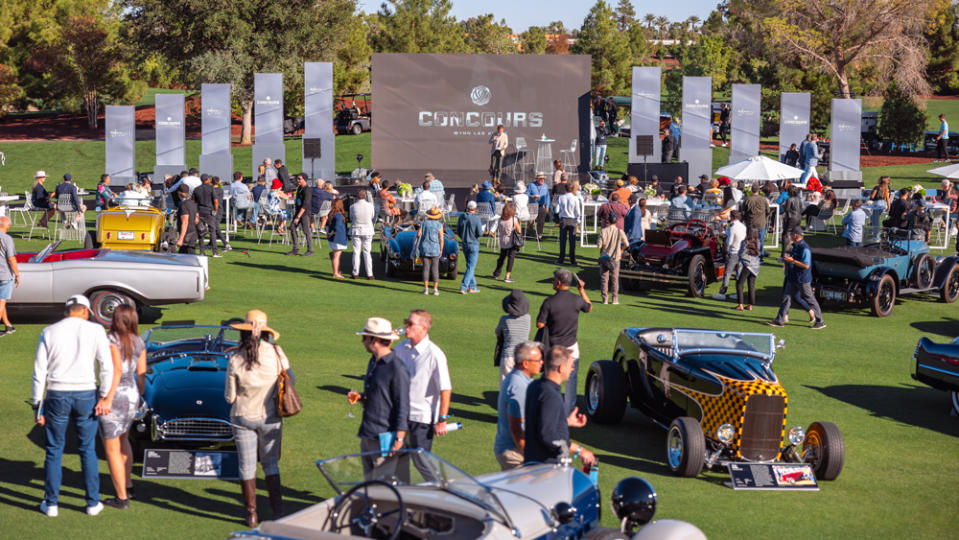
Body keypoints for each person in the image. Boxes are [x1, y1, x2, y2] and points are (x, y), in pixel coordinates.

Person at [32, 294, 114, 517]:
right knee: (87, 449)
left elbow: (39, 371)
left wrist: (37, 406)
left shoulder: (49, 331)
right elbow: (106, 365)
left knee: (54, 449)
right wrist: (105, 395)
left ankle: (51, 504)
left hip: (57, 392)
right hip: (86, 392)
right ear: (86, 311)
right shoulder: (96, 331)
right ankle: (92, 502)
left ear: (67, 311)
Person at [225, 310, 292, 526]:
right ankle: (278, 512)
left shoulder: (235, 357)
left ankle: (251, 514)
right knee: (271, 464)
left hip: (242, 415)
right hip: (270, 416)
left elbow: (229, 397)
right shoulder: (276, 352)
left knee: (246, 466)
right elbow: (290, 380)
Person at [97, 304, 146, 510]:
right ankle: (129, 485)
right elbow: (141, 374)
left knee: (111, 448)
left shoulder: (111, 340)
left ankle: (121, 497)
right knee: (124, 440)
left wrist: (107, 398)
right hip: (132, 394)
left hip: (115, 395)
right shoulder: (139, 341)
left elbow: (116, 370)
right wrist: (139, 397)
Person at [394, 310, 451, 481]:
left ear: (424, 328)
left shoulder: (435, 354)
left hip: (422, 418)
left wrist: (442, 419)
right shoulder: (400, 348)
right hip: (401, 415)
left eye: (410, 323)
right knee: (398, 460)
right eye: (406, 322)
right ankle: (402, 498)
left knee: (422, 461)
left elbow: (445, 388)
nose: (406, 326)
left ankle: (440, 493)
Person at [349, 317, 408, 478]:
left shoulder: (397, 368)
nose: (362, 341)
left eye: (364, 337)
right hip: (368, 433)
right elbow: (379, 395)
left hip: (385, 438)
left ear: (374, 339)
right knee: (369, 483)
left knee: (383, 487)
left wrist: (399, 439)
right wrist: (361, 397)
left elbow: (403, 406)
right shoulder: (373, 361)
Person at [523, 346, 596, 467]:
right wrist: (580, 450)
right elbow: (548, 436)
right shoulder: (550, 396)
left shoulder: (536, 386)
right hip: (546, 469)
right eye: (571, 365)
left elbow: (541, 421)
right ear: (561, 368)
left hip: (534, 462)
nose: (572, 369)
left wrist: (565, 422)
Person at [536, 268, 592, 413]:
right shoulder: (576, 299)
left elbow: (540, 324)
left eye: (554, 279)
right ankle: (568, 413)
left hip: (554, 347)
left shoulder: (549, 302)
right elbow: (589, 307)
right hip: (572, 346)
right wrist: (581, 290)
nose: (553, 282)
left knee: (552, 379)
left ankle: (549, 408)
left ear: (559, 283)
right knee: (571, 381)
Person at [493, 341, 542, 470]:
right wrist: (529, 455)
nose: (541, 363)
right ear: (526, 363)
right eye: (538, 360)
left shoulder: (519, 378)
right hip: (515, 453)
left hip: (511, 449)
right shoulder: (519, 387)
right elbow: (516, 428)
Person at [767, 227, 825, 330]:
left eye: (791, 234)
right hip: (793, 277)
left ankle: (820, 321)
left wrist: (792, 261)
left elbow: (806, 265)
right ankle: (780, 320)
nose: (790, 236)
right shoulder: (795, 246)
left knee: (810, 299)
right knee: (786, 298)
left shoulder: (804, 248)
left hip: (802, 279)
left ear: (795, 235)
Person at [495, 290, 532, 380]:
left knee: (505, 387)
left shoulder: (504, 319)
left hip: (508, 356)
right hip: (524, 357)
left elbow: (497, 332)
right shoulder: (528, 318)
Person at [453, 200, 483, 294]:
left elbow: (458, 230)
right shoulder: (476, 218)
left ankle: (472, 286)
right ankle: (464, 287)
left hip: (465, 243)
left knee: (470, 266)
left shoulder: (462, 216)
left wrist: (463, 237)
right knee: (471, 267)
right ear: (475, 208)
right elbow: (480, 233)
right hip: (473, 244)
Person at [598, 213, 628, 305]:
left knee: (604, 279)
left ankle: (605, 299)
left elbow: (599, 245)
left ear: (608, 220)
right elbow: (627, 244)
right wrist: (621, 250)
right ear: (616, 221)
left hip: (604, 257)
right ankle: (614, 299)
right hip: (615, 258)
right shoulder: (620, 231)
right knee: (615, 279)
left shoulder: (603, 231)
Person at [716, 210, 746, 298]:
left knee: (727, 273)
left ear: (732, 217)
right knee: (739, 273)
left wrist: (726, 249)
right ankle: (738, 293)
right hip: (741, 252)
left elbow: (729, 242)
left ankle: (722, 293)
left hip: (733, 252)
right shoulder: (743, 226)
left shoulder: (733, 228)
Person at [417, 207, 445, 295]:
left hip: (425, 247)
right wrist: (441, 249)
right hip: (435, 248)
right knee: (435, 269)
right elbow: (441, 238)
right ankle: (435, 289)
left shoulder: (424, 223)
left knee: (425, 268)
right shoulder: (439, 225)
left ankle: (426, 289)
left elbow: (418, 234)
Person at [192, 175, 221, 258]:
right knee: (212, 231)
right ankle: (214, 252)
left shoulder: (196, 189)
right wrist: (215, 210)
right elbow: (216, 201)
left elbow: (193, 202)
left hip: (200, 211)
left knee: (201, 231)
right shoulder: (211, 189)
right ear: (207, 180)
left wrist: (196, 212)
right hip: (209, 212)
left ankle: (202, 251)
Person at [0, 216, 20, 336]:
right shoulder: (7, 239)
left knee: (2, 301)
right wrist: (17, 275)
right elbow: (11, 258)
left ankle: (8, 325)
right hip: (4, 274)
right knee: (2, 302)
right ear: (6, 225)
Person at [555, 180, 583, 266]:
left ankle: (561, 259)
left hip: (563, 219)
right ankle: (572, 260)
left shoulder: (561, 197)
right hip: (572, 220)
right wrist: (577, 219)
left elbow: (556, 210)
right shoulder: (575, 198)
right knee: (572, 241)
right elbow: (578, 212)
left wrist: (560, 215)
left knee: (562, 241)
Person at [286, 174, 314, 257]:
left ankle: (310, 250)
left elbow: (305, 205)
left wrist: (298, 217)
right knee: (292, 227)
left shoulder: (307, 190)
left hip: (304, 213)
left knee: (306, 231)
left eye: (299, 179)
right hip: (298, 212)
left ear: (304, 179)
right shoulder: (299, 188)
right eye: (297, 179)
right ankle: (296, 249)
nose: (298, 180)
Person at [492, 203, 520, 283]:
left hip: (502, 240)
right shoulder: (514, 219)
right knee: (511, 258)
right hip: (511, 241)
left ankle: (497, 273)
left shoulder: (499, 219)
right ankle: (507, 276)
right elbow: (519, 231)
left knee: (501, 257)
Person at [351, 189, 375, 280]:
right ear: (365, 196)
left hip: (356, 230)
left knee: (356, 252)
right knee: (367, 252)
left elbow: (351, 217)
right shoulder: (370, 206)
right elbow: (372, 216)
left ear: (357, 196)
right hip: (367, 230)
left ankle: (355, 273)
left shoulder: (352, 206)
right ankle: (370, 274)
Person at [735, 228, 761, 311]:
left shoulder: (745, 242)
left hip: (747, 265)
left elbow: (741, 254)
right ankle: (750, 305)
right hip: (755, 265)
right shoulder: (758, 242)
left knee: (739, 283)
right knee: (751, 285)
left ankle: (740, 304)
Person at [743, 183, 769, 252]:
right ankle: (760, 255)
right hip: (760, 222)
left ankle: (750, 254)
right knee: (760, 240)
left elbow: (743, 211)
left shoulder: (747, 199)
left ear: (751, 190)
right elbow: (768, 211)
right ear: (758, 190)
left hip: (750, 222)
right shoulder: (763, 199)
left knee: (750, 240)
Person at [325, 198, 348, 279]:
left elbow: (327, 226)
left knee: (336, 255)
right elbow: (337, 228)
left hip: (333, 238)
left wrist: (328, 234)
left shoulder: (331, 213)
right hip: (338, 238)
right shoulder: (338, 215)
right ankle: (335, 273)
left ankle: (336, 271)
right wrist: (330, 234)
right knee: (336, 256)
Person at [174, 185, 199, 254]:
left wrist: (180, 239)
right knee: (181, 259)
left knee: (190, 258)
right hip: (193, 233)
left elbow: (185, 222)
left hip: (187, 236)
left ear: (179, 193)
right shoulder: (193, 203)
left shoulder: (183, 205)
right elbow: (197, 219)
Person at [781, 186, 803, 259]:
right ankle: (795, 252)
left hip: (791, 218)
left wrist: (783, 206)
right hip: (798, 218)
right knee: (796, 235)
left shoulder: (789, 199)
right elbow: (801, 209)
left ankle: (784, 253)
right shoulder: (799, 199)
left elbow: (787, 210)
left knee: (785, 234)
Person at [527, 173, 550, 240]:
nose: (542, 180)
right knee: (530, 221)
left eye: (543, 179)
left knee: (541, 221)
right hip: (532, 205)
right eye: (540, 178)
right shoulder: (531, 185)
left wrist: (547, 206)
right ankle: (529, 232)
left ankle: (539, 235)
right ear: (537, 179)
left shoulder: (545, 186)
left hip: (541, 205)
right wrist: (532, 197)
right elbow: (527, 194)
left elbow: (547, 196)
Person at [868, 176, 891, 241]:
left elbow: (872, 197)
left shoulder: (877, 187)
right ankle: (872, 231)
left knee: (876, 221)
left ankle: (876, 237)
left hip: (877, 205)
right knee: (873, 218)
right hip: (884, 205)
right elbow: (888, 199)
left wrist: (869, 194)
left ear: (880, 181)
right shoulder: (887, 188)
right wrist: (889, 208)